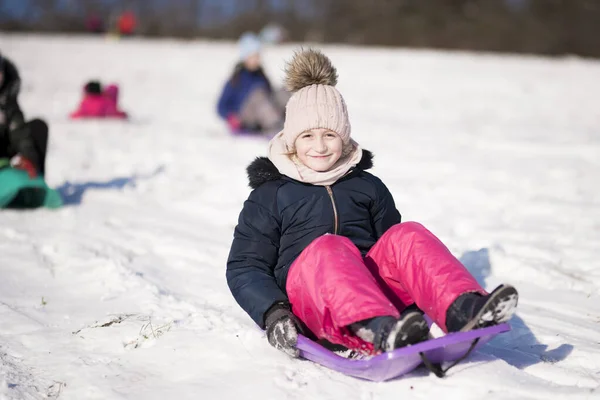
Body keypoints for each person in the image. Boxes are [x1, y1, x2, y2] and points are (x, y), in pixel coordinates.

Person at [226, 49, 519, 358]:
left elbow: (396, 254)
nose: (320, 146)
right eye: (308, 136)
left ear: (345, 136)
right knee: (329, 248)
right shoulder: (271, 194)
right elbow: (246, 266)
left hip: (377, 300)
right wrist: (274, 312)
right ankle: (374, 328)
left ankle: (462, 308)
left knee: (407, 234)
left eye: (330, 134)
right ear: (291, 139)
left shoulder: (366, 186)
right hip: (311, 307)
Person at [217, 32, 289, 136]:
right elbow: (221, 106)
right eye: (253, 56)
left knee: (284, 90)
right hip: (244, 119)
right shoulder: (236, 78)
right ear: (245, 57)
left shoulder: (261, 75)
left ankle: (296, 121)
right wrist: (231, 118)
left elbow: (270, 95)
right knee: (258, 94)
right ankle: (276, 129)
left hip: (264, 114)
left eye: (258, 56)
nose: (257, 59)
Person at [0, 52, 49, 179]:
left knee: (38, 127)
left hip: (4, 153)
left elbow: (20, 133)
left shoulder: (8, 101)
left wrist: (29, 159)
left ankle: (34, 184)